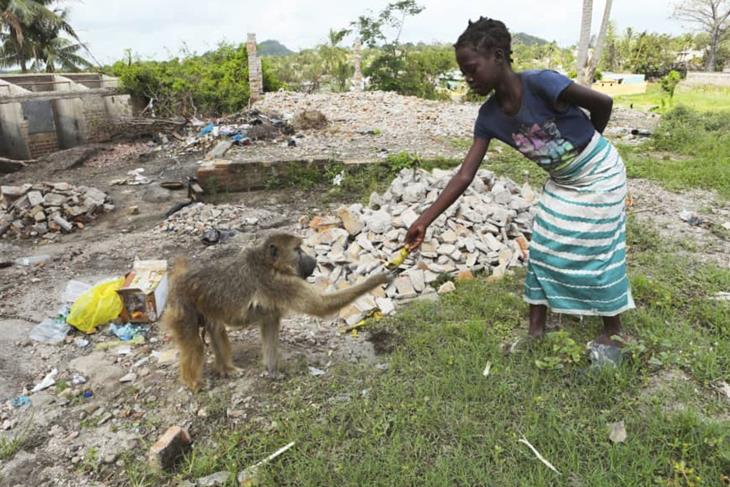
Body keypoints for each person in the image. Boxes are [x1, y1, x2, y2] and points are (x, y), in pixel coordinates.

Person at [404, 17, 635, 348]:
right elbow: (464, 175)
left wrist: (588, 145)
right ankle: (535, 333)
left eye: (472, 69)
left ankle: (612, 330)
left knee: (596, 250)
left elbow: (604, 103)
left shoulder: (542, 84)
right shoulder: (489, 117)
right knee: (542, 249)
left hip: (600, 172)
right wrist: (424, 220)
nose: (469, 79)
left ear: (498, 56)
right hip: (563, 180)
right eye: (463, 73)